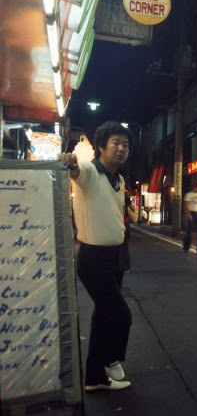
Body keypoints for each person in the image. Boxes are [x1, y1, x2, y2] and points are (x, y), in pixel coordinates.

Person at [58, 121, 133, 391]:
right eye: (116, 143)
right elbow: (77, 169)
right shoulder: (90, 171)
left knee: (103, 316)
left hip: (116, 257)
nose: (122, 149)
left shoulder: (120, 179)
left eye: (125, 145)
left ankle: (94, 378)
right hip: (93, 259)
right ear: (101, 146)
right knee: (121, 316)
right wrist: (70, 161)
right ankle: (112, 360)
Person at [183, 184, 197, 254]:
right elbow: (186, 205)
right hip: (192, 213)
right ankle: (186, 247)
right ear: (194, 187)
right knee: (189, 231)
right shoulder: (189, 195)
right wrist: (188, 214)